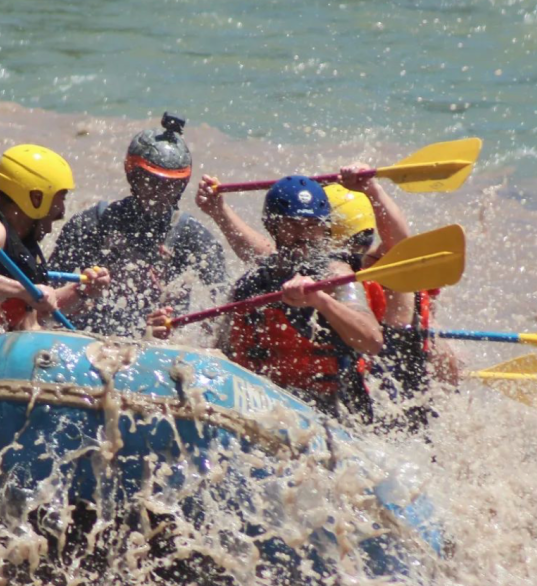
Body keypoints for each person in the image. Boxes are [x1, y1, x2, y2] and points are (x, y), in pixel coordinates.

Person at [151, 176, 385, 423]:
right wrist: (168, 341)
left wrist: (321, 301)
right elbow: (217, 353)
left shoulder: (336, 277)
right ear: (273, 227)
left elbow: (373, 341)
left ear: (324, 228)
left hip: (332, 412)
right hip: (264, 407)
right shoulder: (252, 285)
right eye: (292, 225)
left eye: (311, 225)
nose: (303, 234)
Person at [48, 113, 225, 337]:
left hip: (160, 346)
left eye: (170, 186)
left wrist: (178, 325)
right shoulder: (91, 225)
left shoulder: (192, 238)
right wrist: (80, 292)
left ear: (182, 185)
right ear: (132, 175)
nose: (159, 194)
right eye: (151, 182)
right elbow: (44, 295)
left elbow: (220, 311)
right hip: (88, 339)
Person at [0, 144, 109, 333]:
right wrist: (23, 290)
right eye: (60, 198)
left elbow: (35, 311)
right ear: (36, 198)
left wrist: (81, 291)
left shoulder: (24, 242)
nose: (62, 211)